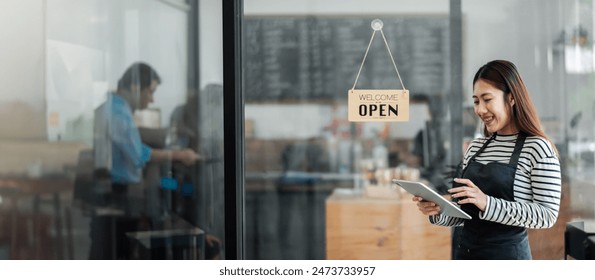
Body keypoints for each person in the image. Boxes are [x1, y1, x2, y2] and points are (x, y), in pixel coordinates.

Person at [412, 60, 562, 260]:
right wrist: (439, 211)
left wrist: (487, 203)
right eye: (476, 101)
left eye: (487, 99)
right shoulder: (475, 147)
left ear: (511, 98)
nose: (480, 110)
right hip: (466, 255)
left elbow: (546, 216)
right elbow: (466, 214)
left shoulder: (537, 148)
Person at [90, 62, 200, 259]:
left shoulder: (114, 109)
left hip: (117, 194)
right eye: (150, 92)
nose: (151, 99)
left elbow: (133, 143)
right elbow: (137, 154)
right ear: (134, 86)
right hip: (118, 195)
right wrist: (180, 155)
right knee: (117, 255)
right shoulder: (117, 112)